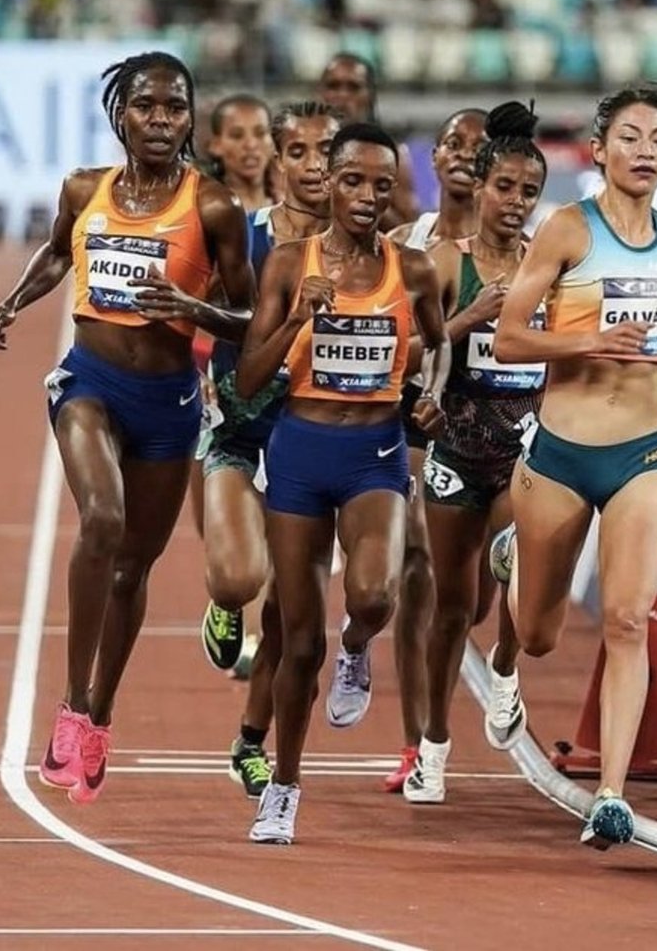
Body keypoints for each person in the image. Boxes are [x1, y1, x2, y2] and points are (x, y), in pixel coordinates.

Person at [0, 51, 255, 804]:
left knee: (134, 566)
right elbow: (58, 252)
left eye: (174, 108)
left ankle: (100, 712)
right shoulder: (84, 188)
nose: (160, 120)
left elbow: (252, 319)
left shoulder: (214, 206)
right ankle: (68, 707)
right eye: (146, 106)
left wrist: (191, 310)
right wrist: (8, 306)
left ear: (191, 118)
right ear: (119, 114)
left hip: (169, 402)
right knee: (101, 519)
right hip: (91, 383)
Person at [489, 85, 657, 849]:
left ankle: (612, 794)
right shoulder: (565, 232)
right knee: (539, 632)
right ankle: (516, 560)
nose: (645, 150)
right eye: (630, 137)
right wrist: (586, 343)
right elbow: (513, 338)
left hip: (645, 449)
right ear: (599, 150)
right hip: (561, 451)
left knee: (626, 619)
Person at [236, 122, 450, 844]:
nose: (365, 196)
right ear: (327, 182)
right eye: (352, 181)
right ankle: (285, 788)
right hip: (299, 450)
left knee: (374, 596)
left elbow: (441, 341)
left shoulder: (412, 268)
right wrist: (299, 318)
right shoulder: (289, 264)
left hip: (375, 452)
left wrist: (434, 393)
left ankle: (359, 646)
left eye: (380, 185)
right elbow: (247, 380)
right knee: (298, 644)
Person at [402, 101, 547, 804]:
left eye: (529, 192)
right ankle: (432, 745)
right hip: (455, 450)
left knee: (521, 562)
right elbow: (399, 351)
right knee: (453, 607)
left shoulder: (551, 267)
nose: (516, 203)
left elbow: (565, 359)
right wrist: (466, 321)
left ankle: (508, 668)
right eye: (506, 188)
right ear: (480, 187)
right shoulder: (441, 264)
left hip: (521, 451)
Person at [198, 101, 342, 798]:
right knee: (237, 580)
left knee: (293, 611)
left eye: (328, 153)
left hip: (312, 445)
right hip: (237, 430)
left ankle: (249, 741)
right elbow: (202, 308)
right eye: (301, 152)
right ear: (278, 164)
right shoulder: (241, 234)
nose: (315, 166)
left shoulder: (365, 252)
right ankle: (223, 606)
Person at [378, 106, 489, 794]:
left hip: (495, 432)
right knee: (418, 568)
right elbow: (385, 344)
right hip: (418, 420)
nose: (460, 154)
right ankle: (416, 742)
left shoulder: (526, 246)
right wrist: (463, 322)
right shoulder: (403, 243)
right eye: (451, 141)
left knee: (468, 601)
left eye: (477, 147)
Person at [187, 93, 277, 551]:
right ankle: (230, 609)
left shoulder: (292, 212)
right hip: (212, 371)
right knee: (221, 531)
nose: (251, 146)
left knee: (284, 529)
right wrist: (195, 369)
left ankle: (258, 621)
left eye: (260, 133)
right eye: (237, 135)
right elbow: (188, 295)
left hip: (282, 378)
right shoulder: (206, 208)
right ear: (216, 145)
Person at [318, 52, 419, 228]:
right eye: (333, 86)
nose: (342, 96)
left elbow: (409, 231)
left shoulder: (394, 156)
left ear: (370, 95)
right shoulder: (300, 154)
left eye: (353, 87)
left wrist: (362, 198)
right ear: (321, 93)